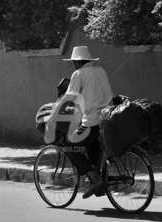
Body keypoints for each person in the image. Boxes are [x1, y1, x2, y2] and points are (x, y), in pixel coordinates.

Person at [46, 46, 113, 199]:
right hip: (107, 117)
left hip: (93, 120)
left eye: (73, 62)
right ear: (89, 60)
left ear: (76, 62)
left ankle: (95, 180)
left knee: (70, 147)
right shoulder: (100, 70)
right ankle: (96, 176)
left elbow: (68, 98)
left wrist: (53, 115)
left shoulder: (78, 74)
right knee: (92, 144)